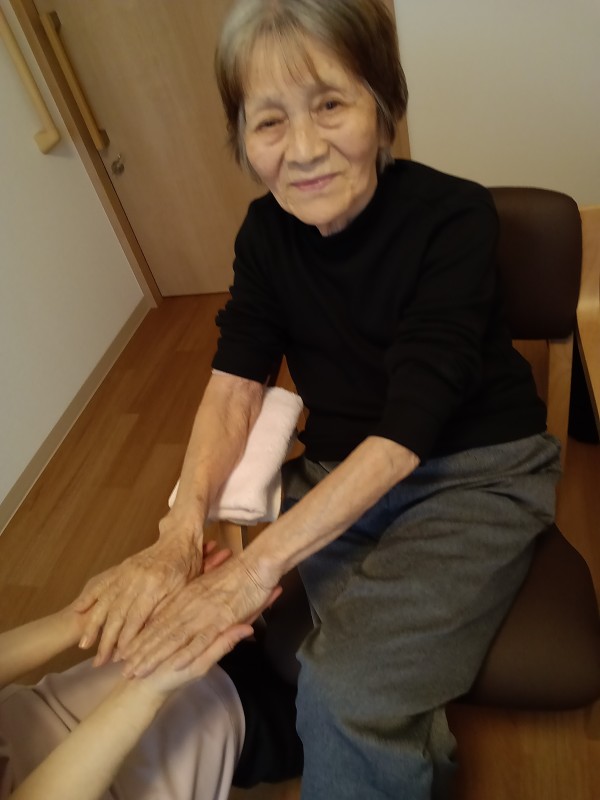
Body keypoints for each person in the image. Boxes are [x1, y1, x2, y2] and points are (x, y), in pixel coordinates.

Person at [72, 1, 562, 797]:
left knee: (340, 683)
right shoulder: (265, 235)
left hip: (473, 473)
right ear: (243, 139)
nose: (303, 149)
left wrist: (251, 569)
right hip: (340, 471)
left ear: (384, 105)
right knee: (333, 664)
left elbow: (408, 432)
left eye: (330, 104)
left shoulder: (454, 216)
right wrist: (178, 531)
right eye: (269, 121)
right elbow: (235, 387)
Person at [0, 543, 302, 799]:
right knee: (288, 714)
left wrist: (83, 616)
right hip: (126, 767)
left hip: (74, 700)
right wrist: (146, 688)